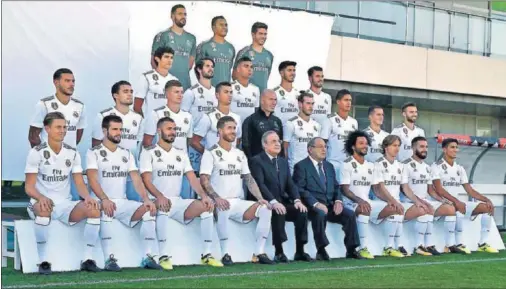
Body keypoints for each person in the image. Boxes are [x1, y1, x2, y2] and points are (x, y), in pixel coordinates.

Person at [139, 117, 223, 270]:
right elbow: (146, 180)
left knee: (207, 207)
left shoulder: (181, 153)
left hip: (177, 201)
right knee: (164, 206)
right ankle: (163, 255)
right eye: (169, 129)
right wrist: (160, 196)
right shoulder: (149, 152)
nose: (173, 132)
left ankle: (206, 254)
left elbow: (192, 177)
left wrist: (204, 196)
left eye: (175, 129)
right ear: (159, 131)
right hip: (157, 200)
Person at [25, 112, 101, 274]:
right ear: (47, 128)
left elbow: (79, 182)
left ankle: (87, 259)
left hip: (64, 204)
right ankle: (43, 261)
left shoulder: (72, 153)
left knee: (94, 209)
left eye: (65, 127)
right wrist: (41, 197)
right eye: (58, 127)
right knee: (43, 208)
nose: (62, 130)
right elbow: (29, 187)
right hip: (40, 203)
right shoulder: (36, 152)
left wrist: (87, 197)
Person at [86, 115, 161, 271]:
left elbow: (136, 179)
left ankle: (147, 256)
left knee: (149, 210)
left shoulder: (127, 153)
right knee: (107, 209)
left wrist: (146, 199)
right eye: (114, 129)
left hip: (122, 201)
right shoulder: (93, 153)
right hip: (100, 201)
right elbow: (92, 179)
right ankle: (109, 259)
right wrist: (104, 199)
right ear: (104, 130)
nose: (118, 132)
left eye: (120, 129)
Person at [200, 116, 274, 265]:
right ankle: (225, 253)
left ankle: (258, 252)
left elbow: (249, 179)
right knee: (224, 207)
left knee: (265, 208)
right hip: (220, 202)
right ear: (220, 131)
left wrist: (260, 197)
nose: (233, 131)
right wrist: (216, 198)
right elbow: (204, 179)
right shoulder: (211, 153)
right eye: (229, 128)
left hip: (238, 202)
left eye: (234, 128)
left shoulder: (239, 154)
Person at [293, 137, 362, 260]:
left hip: (330, 205)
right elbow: (300, 189)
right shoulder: (301, 166)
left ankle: (351, 249)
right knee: (319, 214)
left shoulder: (329, 166)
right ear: (310, 149)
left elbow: (336, 187)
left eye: (325, 147)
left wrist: (338, 201)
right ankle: (321, 250)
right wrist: (315, 203)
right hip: (311, 207)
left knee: (349, 214)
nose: (324, 149)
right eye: (320, 147)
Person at [340, 131, 404, 259]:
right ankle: (363, 248)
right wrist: (359, 201)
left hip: (367, 201)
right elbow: (344, 190)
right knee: (364, 208)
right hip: (350, 203)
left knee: (396, 209)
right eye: (361, 143)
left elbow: (377, 189)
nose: (365, 146)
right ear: (353, 146)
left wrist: (391, 201)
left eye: (366, 143)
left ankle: (388, 247)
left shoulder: (371, 165)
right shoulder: (346, 164)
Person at [249, 131, 311, 263]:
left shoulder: (282, 162)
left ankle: (300, 251)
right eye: (273, 141)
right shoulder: (256, 161)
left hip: (282, 201)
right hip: (265, 202)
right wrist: (273, 201)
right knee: (278, 211)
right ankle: (279, 251)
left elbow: (290, 184)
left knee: (301, 211)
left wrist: (297, 200)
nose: (278, 144)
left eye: (279, 141)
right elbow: (260, 184)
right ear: (264, 145)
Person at [431, 138, 498, 254]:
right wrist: (456, 202)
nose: (455, 150)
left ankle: (483, 244)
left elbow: (469, 190)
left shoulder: (459, 168)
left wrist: (487, 200)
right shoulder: (436, 166)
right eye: (452, 147)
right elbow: (439, 189)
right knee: (457, 210)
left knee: (487, 208)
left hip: (458, 203)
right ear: (444, 149)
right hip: (443, 204)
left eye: (457, 147)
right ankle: (457, 244)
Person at [29, 68, 88, 201]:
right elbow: (33, 136)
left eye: (73, 81)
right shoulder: (44, 104)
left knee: (77, 199)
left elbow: (78, 134)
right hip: (49, 161)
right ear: (56, 82)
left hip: (70, 160)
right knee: (48, 200)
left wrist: (65, 151)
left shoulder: (80, 106)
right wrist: (45, 155)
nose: (71, 84)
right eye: (67, 81)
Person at [401, 136, 462, 256]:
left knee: (450, 209)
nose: (425, 149)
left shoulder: (426, 167)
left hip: (424, 200)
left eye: (426, 147)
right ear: (413, 148)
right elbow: (403, 189)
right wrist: (419, 201)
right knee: (424, 209)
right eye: (421, 146)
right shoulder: (405, 165)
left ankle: (444, 245)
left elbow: (430, 190)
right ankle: (419, 246)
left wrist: (442, 200)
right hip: (408, 202)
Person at [92, 81, 144, 201]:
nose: (130, 94)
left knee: (133, 207)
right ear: (115, 95)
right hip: (110, 173)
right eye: (125, 91)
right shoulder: (103, 115)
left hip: (131, 172)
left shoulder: (138, 118)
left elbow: (139, 144)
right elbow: (96, 144)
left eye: (131, 91)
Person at [373, 135, 421, 257]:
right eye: (394, 145)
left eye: (398, 145)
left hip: (396, 201)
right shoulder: (378, 164)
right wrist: (392, 200)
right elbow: (380, 188)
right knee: (396, 209)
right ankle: (388, 247)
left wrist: (417, 201)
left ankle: (398, 245)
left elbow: (405, 187)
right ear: (385, 147)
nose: (397, 148)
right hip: (381, 201)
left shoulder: (400, 166)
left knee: (422, 209)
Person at [151, 4, 196, 90]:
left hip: (185, 86)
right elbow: (154, 61)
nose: (183, 16)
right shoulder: (163, 35)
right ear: (172, 16)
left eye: (185, 14)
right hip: (166, 86)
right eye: (180, 14)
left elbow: (190, 64)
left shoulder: (191, 38)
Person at [191, 82, 242, 153]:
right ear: (217, 95)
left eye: (231, 92)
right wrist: (210, 155)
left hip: (230, 160)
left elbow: (238, 140)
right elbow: (194, 141)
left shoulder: (237, 118)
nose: (229, 95)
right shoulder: (209, 117)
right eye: (226, 92)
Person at [142, 80, 193, 152]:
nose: (180, 95)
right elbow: (147, 141)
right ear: (167, 93)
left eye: (182, 92)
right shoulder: (157, 114)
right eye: (176, 92)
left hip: (181, 160)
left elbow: (188, 141)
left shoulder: (188, 116)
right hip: (163, 160)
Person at [321, 89, 358, 180]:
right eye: (346, 100)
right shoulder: (329, 120)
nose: (348, 103)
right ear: (338, 102)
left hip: (349, 165)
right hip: (333, 164)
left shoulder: (354, 122)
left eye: (350, 100)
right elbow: (322, 143)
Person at [283, 91, 321, 173]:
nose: (311, 106)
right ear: (300, 104)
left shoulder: (317, 125)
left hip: (312, 170)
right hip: (295, 170)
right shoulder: (291, 123)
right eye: (308, 103)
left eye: (312, 104)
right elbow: (284, 149)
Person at [135, 47, 178, 117]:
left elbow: (177, 105)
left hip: (169, 124)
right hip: (151, 124)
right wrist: (145, 122)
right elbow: (137, 106)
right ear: (157, 59)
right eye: (166, 57)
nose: (169, 60)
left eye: (171, 58)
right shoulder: (146, 77)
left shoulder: (175, 80)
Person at [242, 89, 283, 159]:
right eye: (271, 99)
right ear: (262, 101)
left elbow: (280, 144)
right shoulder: (250, 120)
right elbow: (246, 146)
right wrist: (253, 163)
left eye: (275, 100)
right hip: (257, 164)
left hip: (275, 164)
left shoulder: (277, 121)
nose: (274, 102)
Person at [234, 22, 274, 94]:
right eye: (260, 34)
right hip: (246, 97)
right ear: (253, 35)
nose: (263, 36)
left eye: (265, 34)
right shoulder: (244, 52)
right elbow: (235, 75)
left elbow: (267, 76)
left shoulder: (269, 55)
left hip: (262, 98)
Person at [196, 16, 235, 86]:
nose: (224, 27)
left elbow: (229, 68)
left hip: (224, 91)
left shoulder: (231, 48)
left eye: (226, 25)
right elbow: (198, 69)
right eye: (221, 25)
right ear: (213, 28)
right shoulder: (204, 46)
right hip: (209, 89)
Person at [181, 58, 217, 126]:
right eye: (207, 66)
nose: (211, 68)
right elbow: (182, 116)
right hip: (195, 134)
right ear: (199, 69)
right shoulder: (191, 92)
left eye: (212, 66)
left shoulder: (217, 92)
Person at [230, 57, 260, 123]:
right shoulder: (230, 87)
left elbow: (256, 111)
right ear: (238, 69)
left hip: (249, 128)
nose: (249, 69)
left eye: (251, 67)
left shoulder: (256, 89)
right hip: (234, 128)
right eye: (246, 66)